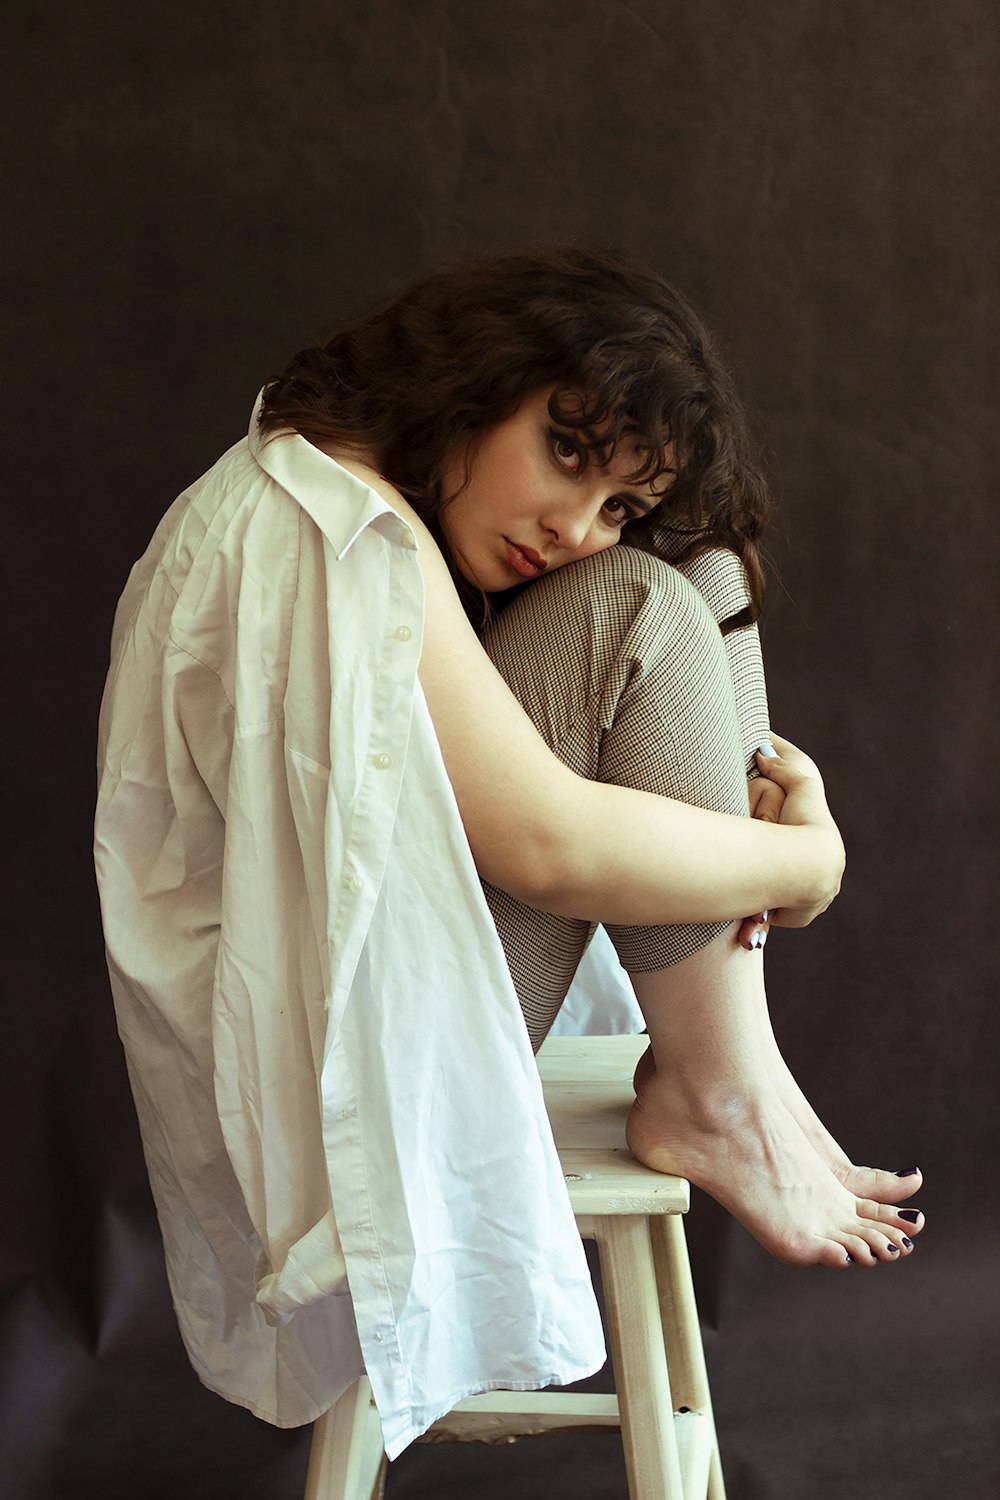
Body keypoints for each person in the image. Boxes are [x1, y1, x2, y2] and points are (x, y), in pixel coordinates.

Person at [95, 246, 922, 1455]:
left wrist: (748, 846)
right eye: (568, 453)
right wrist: (802, 866)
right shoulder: (343, 518)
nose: (574, 525)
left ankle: (731, 1064)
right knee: (637, 604)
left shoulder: (340, 481)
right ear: (471, 381)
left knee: (700, 563)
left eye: (610, 502)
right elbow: (544, 844)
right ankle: (717, 1084)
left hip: (369, 986)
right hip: (333, 1064)